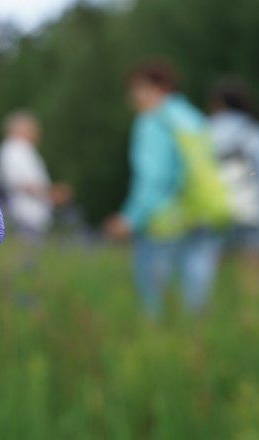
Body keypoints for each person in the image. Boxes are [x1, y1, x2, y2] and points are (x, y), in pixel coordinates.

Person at [105, 59, 230, 316]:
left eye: (136, 89)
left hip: (163, 220)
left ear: (156, 88)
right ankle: (196, 345)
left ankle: (158, 348)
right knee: (195, 298)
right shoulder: (193, 117)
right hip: (201, 212)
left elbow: (154, 177)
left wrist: (130, 218)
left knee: (155, 302)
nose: (132, 97)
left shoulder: (153, 121)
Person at [208, 76, 259, 293]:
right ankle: (252, 321)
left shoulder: (204, 131)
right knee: (253, 278)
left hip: (215, 212)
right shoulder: (256, 133)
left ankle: (210, 320)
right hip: (252, 209)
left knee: (211, 276)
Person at [0, 111, 71, 241]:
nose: (38, 135)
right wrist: (51, 194)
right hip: (25, 214)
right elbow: (19, 182)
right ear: (22, 129)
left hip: (30, 214)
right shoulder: (14, 148)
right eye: (34, 130)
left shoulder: (19, 149)